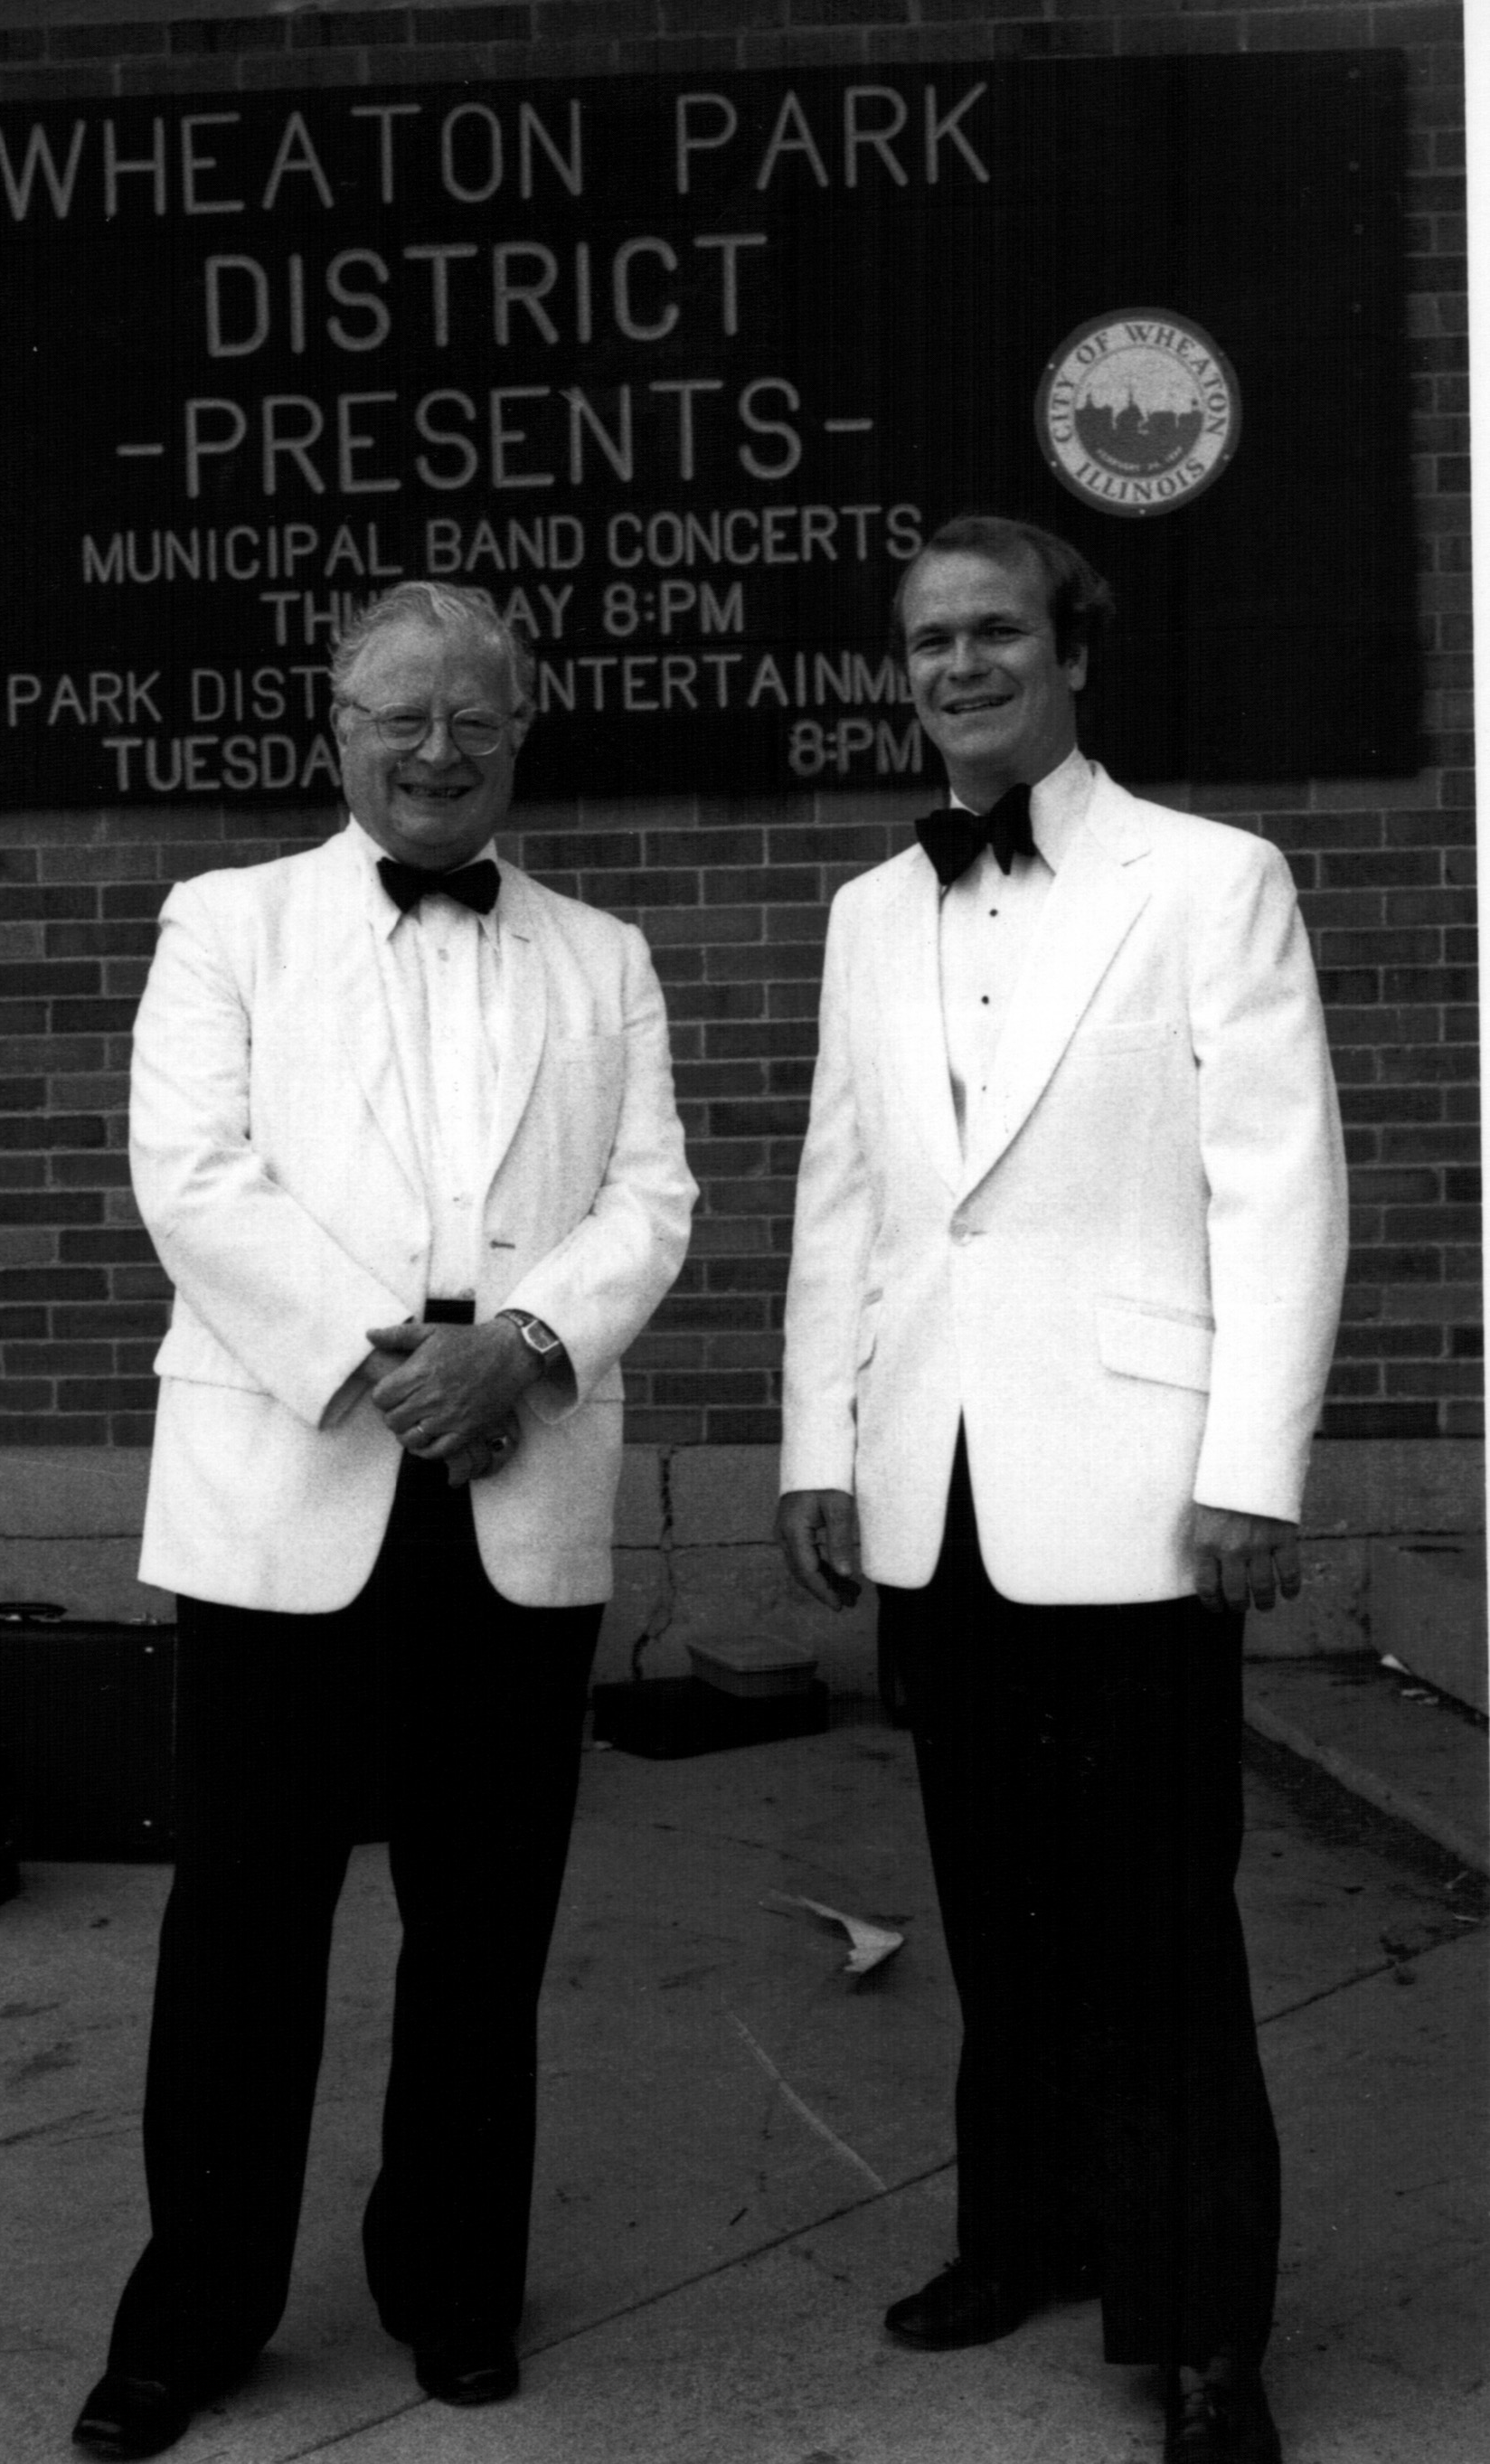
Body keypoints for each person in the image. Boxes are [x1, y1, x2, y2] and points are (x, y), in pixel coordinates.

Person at [73, 580, 696, 2459]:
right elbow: (192, 1174)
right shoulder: (226, 923)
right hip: (294, 1475)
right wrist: (390, 1362)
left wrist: (520, 1346)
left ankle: (453, 2281)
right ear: (336, 730)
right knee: (243, 1928)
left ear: (521, 732)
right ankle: (196, 2312)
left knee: (484, 1927)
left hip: (516, 1475)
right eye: (401, 717)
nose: (438, 750)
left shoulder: (605, 955)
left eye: (474, 719)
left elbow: (651, 1198)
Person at [776, 515, 1346, 2464]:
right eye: (928, 638)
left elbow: (1281, 1186)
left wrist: (1253, 1468)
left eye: (995, 630)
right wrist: (820, 1443)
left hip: (1139, 1494)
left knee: (1161, 1929)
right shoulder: (870, 911)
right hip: (934, 1486)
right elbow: (846, 1194)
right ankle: (1023, 2234)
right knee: (994, 1906)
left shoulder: (1210, 879)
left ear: (1072, 651)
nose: (959, 664)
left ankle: (1204, 2334)